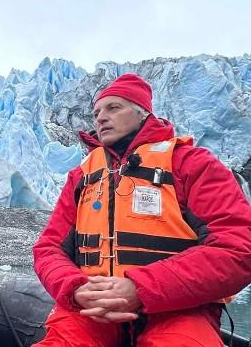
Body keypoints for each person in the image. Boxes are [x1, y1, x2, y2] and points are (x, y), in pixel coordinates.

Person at [32, 73, 251, 346]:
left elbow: (238, 248)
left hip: (179, 309)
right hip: (92, 308)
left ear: (143, 114)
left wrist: (141, 288)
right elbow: (48, 248)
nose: (100, 117)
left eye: (114, 107)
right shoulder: (82, 177)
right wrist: (75, 288)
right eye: (97, 111)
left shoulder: (191, 165)